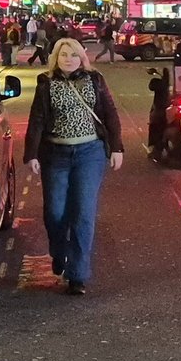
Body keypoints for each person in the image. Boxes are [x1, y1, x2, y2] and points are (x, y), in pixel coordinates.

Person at [24, 39, 123, 296]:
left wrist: (117, 147)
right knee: (55, 212)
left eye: (74, 55)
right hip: (55, 154)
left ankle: (78, 274)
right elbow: (36, 119)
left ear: (82, 58)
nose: (69, 59)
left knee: (83, 213)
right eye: (64, 54)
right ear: (56, 57)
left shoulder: (94, 79)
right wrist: (31, 154)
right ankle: (59, 251)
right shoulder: (46, 83)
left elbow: (110, 114)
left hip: (90, 153)